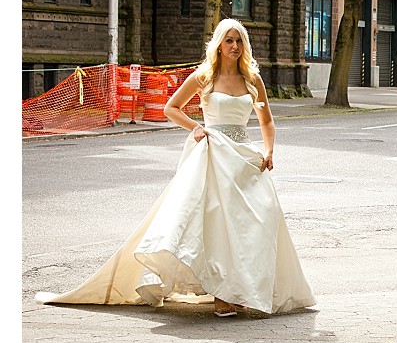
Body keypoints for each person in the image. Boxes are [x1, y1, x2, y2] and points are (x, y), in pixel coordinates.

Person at [36, 18, 316, 317]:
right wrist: (195, 128)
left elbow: (266, 120)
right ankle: (221, 294)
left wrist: (270, 149)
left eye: (239, 41)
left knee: (256, 222)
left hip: (245, 158)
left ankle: (245, 288)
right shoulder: (204, 77)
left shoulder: (252, 80)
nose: (235, 46)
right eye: (229, 41)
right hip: (214, 154)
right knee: (215, 225)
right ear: (219, 45)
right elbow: (171, 107)